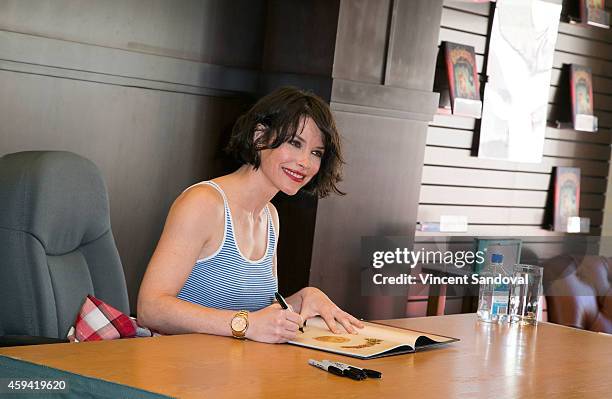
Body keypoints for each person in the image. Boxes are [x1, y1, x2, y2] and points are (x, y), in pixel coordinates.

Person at [137, 86, 364, 343]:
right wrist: (245, 324)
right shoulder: (203, 203)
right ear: (259, 137)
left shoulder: (270, 216)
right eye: (295, 143)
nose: (305, 162)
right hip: (178, 371)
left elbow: (256, 317)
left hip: (235, 372)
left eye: (316, 153)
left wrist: (301, 300)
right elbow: (150, 309)